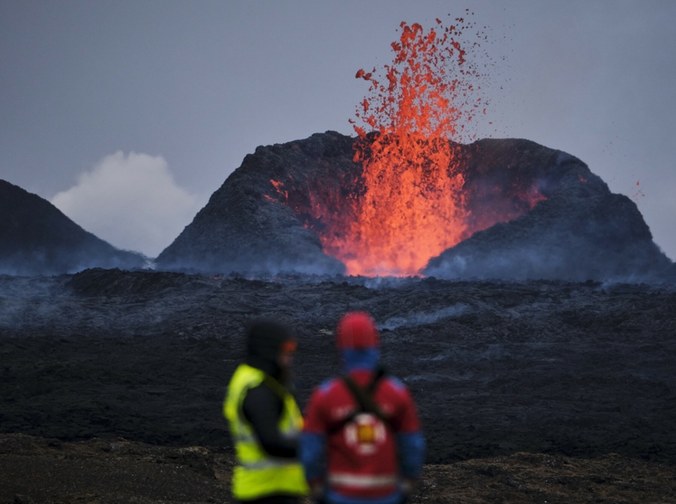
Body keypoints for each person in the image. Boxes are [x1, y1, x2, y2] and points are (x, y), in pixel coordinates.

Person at [301, 311, 426, 504]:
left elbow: (310, 450)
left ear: (341, 347)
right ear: (375, 344)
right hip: (386, 496)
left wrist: (315, 485)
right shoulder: (396, 391)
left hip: (340, 496)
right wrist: (408, 482)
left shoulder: (326, 394)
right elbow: (413, 444)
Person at [223, 319, 309, 503]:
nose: (290, 357)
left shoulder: (258, 380)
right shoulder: (258, 390)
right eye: (287, 350)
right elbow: (270, 442)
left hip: (270, 489)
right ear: (270, 351)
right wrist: (315, 446)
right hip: (266, 493)